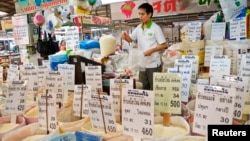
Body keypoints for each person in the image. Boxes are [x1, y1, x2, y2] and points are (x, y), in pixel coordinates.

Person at [121, 2, 167, 90]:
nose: (140, 16)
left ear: (149, 14)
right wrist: (125, 36)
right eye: (139, 14)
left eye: (142, 14)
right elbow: (131, 39)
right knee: (143, 88)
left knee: (154, 89)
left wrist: (151, 50)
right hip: (142, 64)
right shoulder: (138, 28)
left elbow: (164, 45)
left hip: (153, 65)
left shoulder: (155, 28)